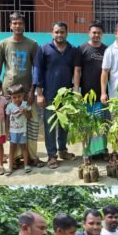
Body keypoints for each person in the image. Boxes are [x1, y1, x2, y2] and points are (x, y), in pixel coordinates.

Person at [0, 12, 43, 168]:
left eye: (20, 23)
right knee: (11, 124)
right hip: (9, 92)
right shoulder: (3, 44)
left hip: (27, 92)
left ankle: (32, 157)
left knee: (32, 122)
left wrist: (33, 91)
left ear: (24, 25)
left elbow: (36, 69)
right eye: (14, 23)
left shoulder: (32, 44)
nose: (17, 26)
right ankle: (13, 158)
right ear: (10, 25)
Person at [35, 21, 76, 169]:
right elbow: (37, 71)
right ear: (52, 33)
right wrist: (39, 94)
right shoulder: (44, 49)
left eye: (62, 32)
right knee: (50, 126)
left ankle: (62, 150)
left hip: (67, 95)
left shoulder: (72, 50)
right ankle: (51, 155)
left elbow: (76, 72)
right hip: (49, 94)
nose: (59, 35)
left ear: (67, 33)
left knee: (64, 124)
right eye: (57, 32)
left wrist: (75, 92)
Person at [74, 20, 109, 160]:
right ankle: (88, 152)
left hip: (102, 95)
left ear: (102, 34)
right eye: (94, 32)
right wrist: (76, 90)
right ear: (89, 33)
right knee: (87, 125)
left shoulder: (106, 50)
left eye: (99, 33)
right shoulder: (81, 49)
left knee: (101, 124)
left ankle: (101, 151)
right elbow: (77, 71)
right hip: (86, 95)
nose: (96, 35)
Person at [5, 84, 32, 176]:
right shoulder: (9, 106)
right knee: (12, 149)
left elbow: (30, 117)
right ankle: (10, 167)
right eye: (14, 97)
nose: (17, 99)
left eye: (19, 96)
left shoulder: (25, 105)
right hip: (12, 132)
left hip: (23, 131)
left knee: (24, 148)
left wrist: (25, 112)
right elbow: (7, 120)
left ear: (23, 95)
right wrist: (7, 132)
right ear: (11, 97)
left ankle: (26, 165)